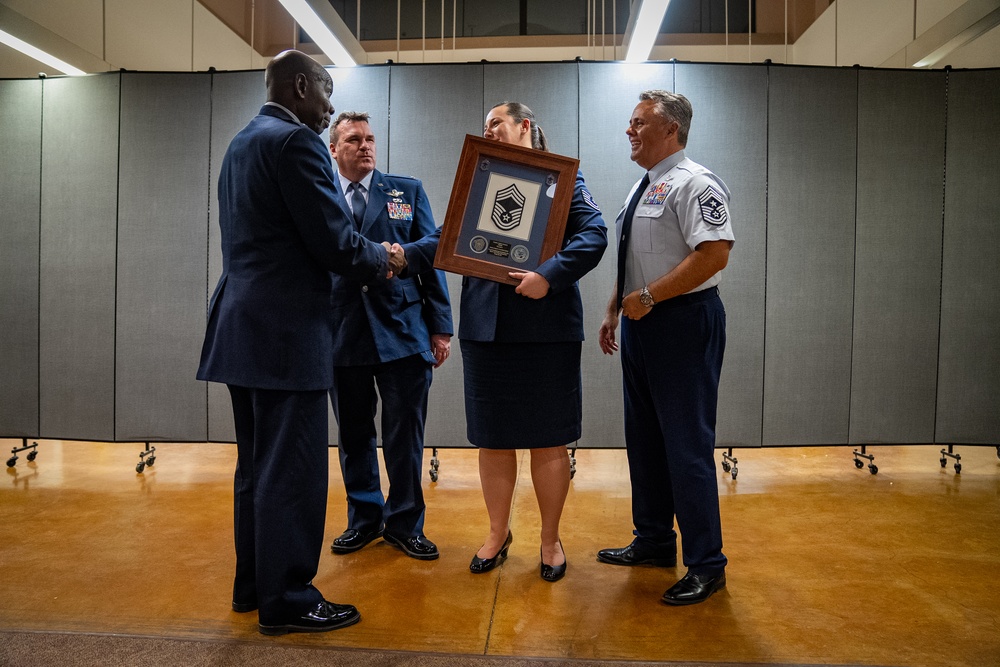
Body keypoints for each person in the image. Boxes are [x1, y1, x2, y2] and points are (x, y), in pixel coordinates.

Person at [196, 50, 405, 635]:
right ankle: (287, 598)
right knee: (292, 471)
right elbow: (337, 244)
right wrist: (386, 258)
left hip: (243, 328)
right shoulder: (296, 143)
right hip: (287, 335)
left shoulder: (242, 142)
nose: (330, 104)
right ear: (299, 85)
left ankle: (254, 586)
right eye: (325, 90)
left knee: (258, 469)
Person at [404, 102, 607, 582]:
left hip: (546, 329)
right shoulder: (478, 182)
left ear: (525, 126)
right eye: (485, 125)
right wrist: (396, 257)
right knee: (492, 440)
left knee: (549, 439)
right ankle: (498, 533)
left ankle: (550, 539)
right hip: (485, 329)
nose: (488, 130)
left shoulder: (561, 181)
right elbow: (442, 238)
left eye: (496, 123)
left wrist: (549, 275)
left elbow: (595, 233)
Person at [597, 90, 735, 605]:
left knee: (686, 447)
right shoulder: (644, 186)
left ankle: (706, 563)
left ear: (671, 129)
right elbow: (637, 258)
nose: (629, 132)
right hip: (641, 323)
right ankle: (654, 539)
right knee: (646, 441)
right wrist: (616, 308)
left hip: (681, 322)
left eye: (638, 124)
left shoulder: (697, 183)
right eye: (629, 124)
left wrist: (650, 297)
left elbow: (715, 255)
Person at [325, 111, 453, 561]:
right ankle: (363, 519)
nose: (365, 146)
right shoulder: (320, 194)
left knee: (405, 436)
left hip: (402, 331)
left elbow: (436, 249)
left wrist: (440, 328)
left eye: (370, 139)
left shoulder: (405, 190)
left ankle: (404, 523)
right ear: (334, 149)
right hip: (341, 334)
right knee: (355, 436)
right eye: (354, 140)